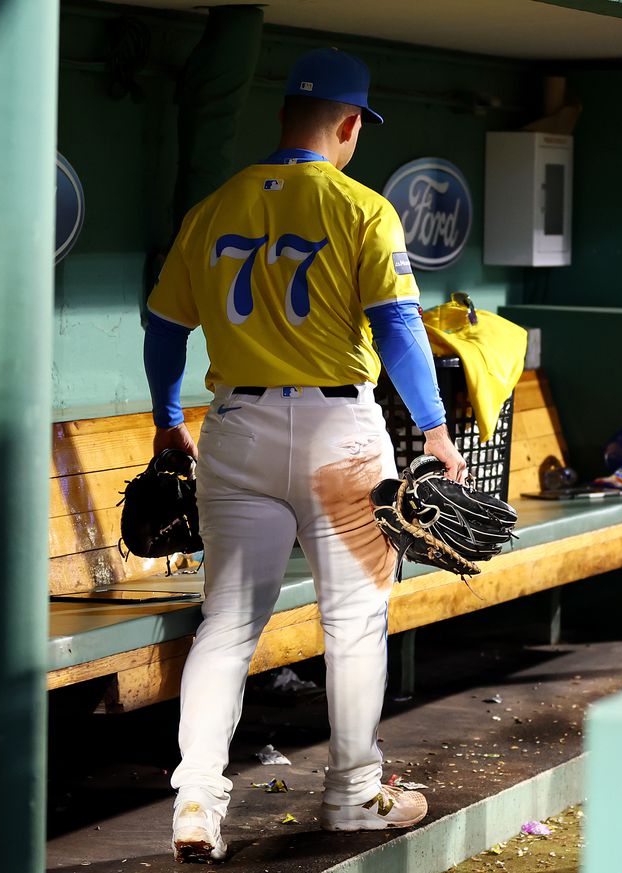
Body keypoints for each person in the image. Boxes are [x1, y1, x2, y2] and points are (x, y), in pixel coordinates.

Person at [142, 47, 468, 863]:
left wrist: (162, 418)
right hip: (339, 435)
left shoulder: (214, 207)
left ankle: (195, 801)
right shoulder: (362, 208)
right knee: (354, 624)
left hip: (236, 428)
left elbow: (161, 329)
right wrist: (433, 428)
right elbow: (397, 325)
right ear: (350, 124)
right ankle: (354, 797)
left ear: (285, 114)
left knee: (226, 625)